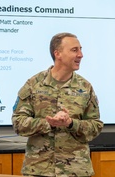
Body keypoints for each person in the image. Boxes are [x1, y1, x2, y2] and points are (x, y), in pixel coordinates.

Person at [12, 32, 104, 177]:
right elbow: (18, 123)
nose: (81, 55)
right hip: (39, 169)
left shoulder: (85, 87)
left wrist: (70, 123)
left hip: (76, 170)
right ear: (58, 54)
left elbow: (95, 126)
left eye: (80, 49)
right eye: (75, 50)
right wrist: (49, 124)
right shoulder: (33, 85)